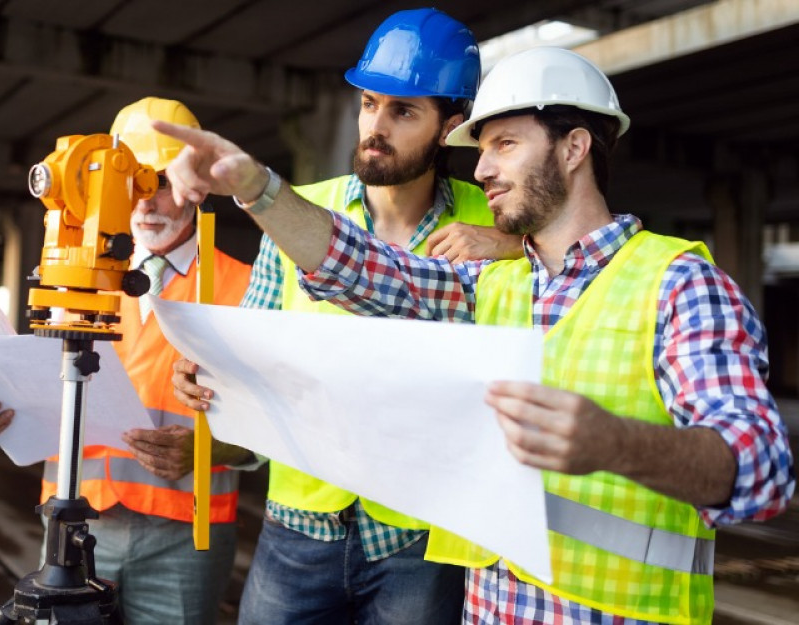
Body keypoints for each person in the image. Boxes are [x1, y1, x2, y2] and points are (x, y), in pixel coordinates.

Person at [158, 46, 795, 624]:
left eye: (506, 145)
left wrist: (615, 443)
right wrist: (256, 189)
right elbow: (359, 267)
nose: (481, 167)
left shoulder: (678, 283)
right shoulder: (490, 287)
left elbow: (764, 470)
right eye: (481, 147)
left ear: (574, 148)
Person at [175, 8, 521, 625]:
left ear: (452, 126)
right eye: (369, 103)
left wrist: (515, 244)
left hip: (422, 537)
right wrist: (215, 383)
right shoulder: (301, 215)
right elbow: (254, 360)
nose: (375, 126)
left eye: (404, 110)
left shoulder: (496, 220)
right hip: (297, 529)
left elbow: (584, 258)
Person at [0, 97, 254, 624]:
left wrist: (209, 450)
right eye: (128, 184)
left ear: (196, 183)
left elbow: (284, 427)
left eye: (156, 181)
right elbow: (47, 396)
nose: (143, 203)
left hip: (187, 534)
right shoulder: (72, 277)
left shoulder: (245, 287)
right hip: (72, 524)